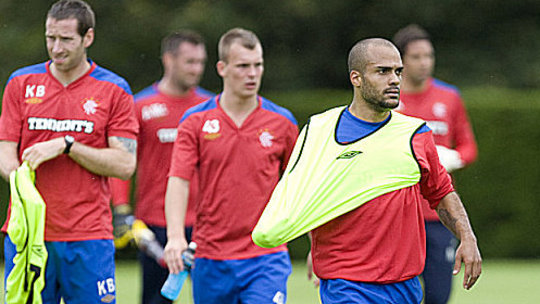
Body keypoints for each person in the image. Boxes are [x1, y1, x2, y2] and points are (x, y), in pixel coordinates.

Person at [253, 38, 482, 304]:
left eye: (397, 71)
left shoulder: (415, 133)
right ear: (356, 78)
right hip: (345, 282)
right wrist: (311, 244)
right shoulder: (321, 129)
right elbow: (304, 195)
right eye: (383, 71)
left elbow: (441, 192)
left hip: (404, 286)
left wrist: (467, 236)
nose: (394, 79)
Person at [0, 0, 138, 303]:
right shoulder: (20, 83)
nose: (56, 48)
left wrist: (67, 146)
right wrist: (21, 180)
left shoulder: (114, 89)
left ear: (88, 38)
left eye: (66, 39)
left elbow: (125, 164)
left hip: (89, 236)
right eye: (50, 38)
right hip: (29, 236)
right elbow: (5, 155)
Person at [163, 27, 298, 304]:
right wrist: (175, 237)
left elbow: (300, 185)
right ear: (222, 68)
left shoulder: (282, 122)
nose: (252, 73)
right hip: (211, 256)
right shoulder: (195, 121)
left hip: (266, 256)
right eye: (243, 66)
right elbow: (179, 179)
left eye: (257, 65)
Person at [109, 29, 213, 304]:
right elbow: (123, 160)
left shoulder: (210, 107)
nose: (197, 69)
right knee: (157, 300)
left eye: (201, 62)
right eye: (190, 61)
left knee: (216, 296)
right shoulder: (140, 106)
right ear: (168, 60)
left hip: (206, 223)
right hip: (155, 224)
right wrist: (121, 209)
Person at [393, 24, 478, 304]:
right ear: (401, 61)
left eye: (428, 55)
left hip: (439, 216)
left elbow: (468, 146)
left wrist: (452, 158)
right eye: (416, 57)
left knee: (439, 295)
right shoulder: (389, 100)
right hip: (397, 215)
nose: (424, 62)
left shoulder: (449, 97)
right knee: (396, 293)